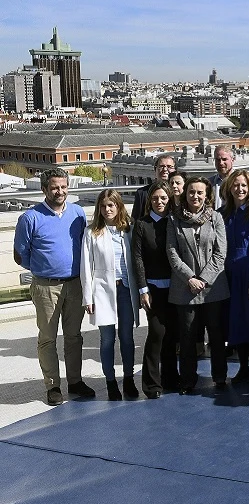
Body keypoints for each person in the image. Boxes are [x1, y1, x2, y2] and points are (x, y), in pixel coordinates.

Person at [13, 168, 95, 405]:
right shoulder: (30, 218)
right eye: (55, 187)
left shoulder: (78, 213)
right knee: (47, 338)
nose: (60, 191)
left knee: (74, 336)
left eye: (64, 187)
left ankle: (75, 381)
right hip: (46, 287)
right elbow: (20, 254)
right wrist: (43, 269)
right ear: (44, 190)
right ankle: (53, 386)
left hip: (75, 284)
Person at [167, 177, 230, 393]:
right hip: (185, 288)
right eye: (192, 192)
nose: (195, 196)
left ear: (207, 195)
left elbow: (221, 253)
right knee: (187, 336)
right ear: (185, 194)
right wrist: (190, 278)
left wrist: (203, 279)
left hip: (212, 288)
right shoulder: (174, 219)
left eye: (200, 193)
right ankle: (187, 380)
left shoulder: (216, 218)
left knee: (216, 334)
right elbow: (172, 252)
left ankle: (220, 377)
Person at [81, 189, 141, 400]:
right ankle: (110, 381)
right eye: (103, 206)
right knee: (107, 339)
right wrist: (88, 297)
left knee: (126, 337)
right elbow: (86, 267)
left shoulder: (129, 229)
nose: (107, 209)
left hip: (125, 289)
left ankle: (129, 379)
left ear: (119, 207)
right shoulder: (92, 233)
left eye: (111, 205)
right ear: (99, 208)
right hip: (103, 292)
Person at [221, 170, 249, 383]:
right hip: (229, 275)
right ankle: (242, 367)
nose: (240, 189)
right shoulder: (223, 214)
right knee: (236, 320)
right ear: (229, 187)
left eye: (244, 186)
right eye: (236, 185)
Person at [132, 180, 176, 398]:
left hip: (176, 288)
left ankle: (170, 379)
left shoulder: (175, 222)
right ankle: (151, 384)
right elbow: (137, 258)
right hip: (153, 290)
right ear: (150, 200)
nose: (159, 202)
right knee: (157, 334)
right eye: (155, 198)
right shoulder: (142, 224)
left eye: (164, 198)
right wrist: (143, 289)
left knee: (172, 336)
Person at [132, 153, 176, 223]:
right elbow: (136, 219)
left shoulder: (178, 192)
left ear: (175, 170)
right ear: (155, 170)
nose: (165, 169)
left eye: (169, 166)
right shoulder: (142, 193)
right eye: (161, 166)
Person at [209, 145, 235, 209]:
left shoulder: (244, 182)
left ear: (233, 159)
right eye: (217, 160)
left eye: (224, 159)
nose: (221, 163)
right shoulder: (209, 183)